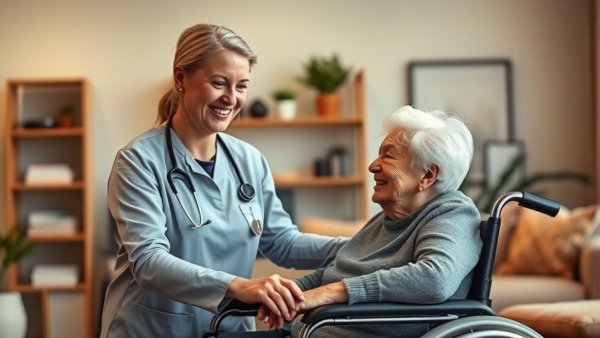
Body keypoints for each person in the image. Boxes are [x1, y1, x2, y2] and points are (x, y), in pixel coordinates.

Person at [100, 24, 346, 338]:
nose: (231, 98)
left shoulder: (249, 160)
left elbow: (282, 242)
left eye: (241, 86)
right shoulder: (138, 161)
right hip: (153, 328)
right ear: (180, 79)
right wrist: (240, 286)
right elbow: (148, 261)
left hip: (228, 329)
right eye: (219, 83)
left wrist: (363, 246)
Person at [259, 105, 483, 337]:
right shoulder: (386, 220)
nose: (373, 166)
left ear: (427, 175)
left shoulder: (453, 213)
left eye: (388, 155)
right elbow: (336, 271)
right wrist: (283, 295)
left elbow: (435, 278)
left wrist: (333, 292)